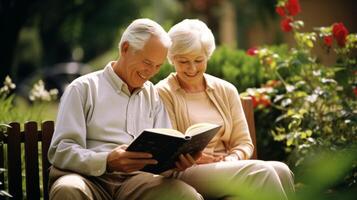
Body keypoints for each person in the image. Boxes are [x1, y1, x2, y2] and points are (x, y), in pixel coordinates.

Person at [48, 18, 204, 200]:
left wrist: (176, 162)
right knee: (67, 189)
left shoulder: (152, 95)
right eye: (147, 62)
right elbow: (61, 149)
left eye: (158, 66)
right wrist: (106, 161)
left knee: (186, 196)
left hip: (136, 182)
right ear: (125, 48)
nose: (151, 72)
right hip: (87, 179)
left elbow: (164, 151)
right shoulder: (83, 88)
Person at [156, 19, 295, 200]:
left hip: (227, 165)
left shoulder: (226, 89)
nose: (192, 68)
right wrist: (194, 157)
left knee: (282, 170)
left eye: (199, 60)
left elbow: (244, 142)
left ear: (207, 56)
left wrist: (233, 159)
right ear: (172, 59)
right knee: (262, 171)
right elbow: (168, 149)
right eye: (183, 61)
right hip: (187, 171)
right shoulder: (162, 92)